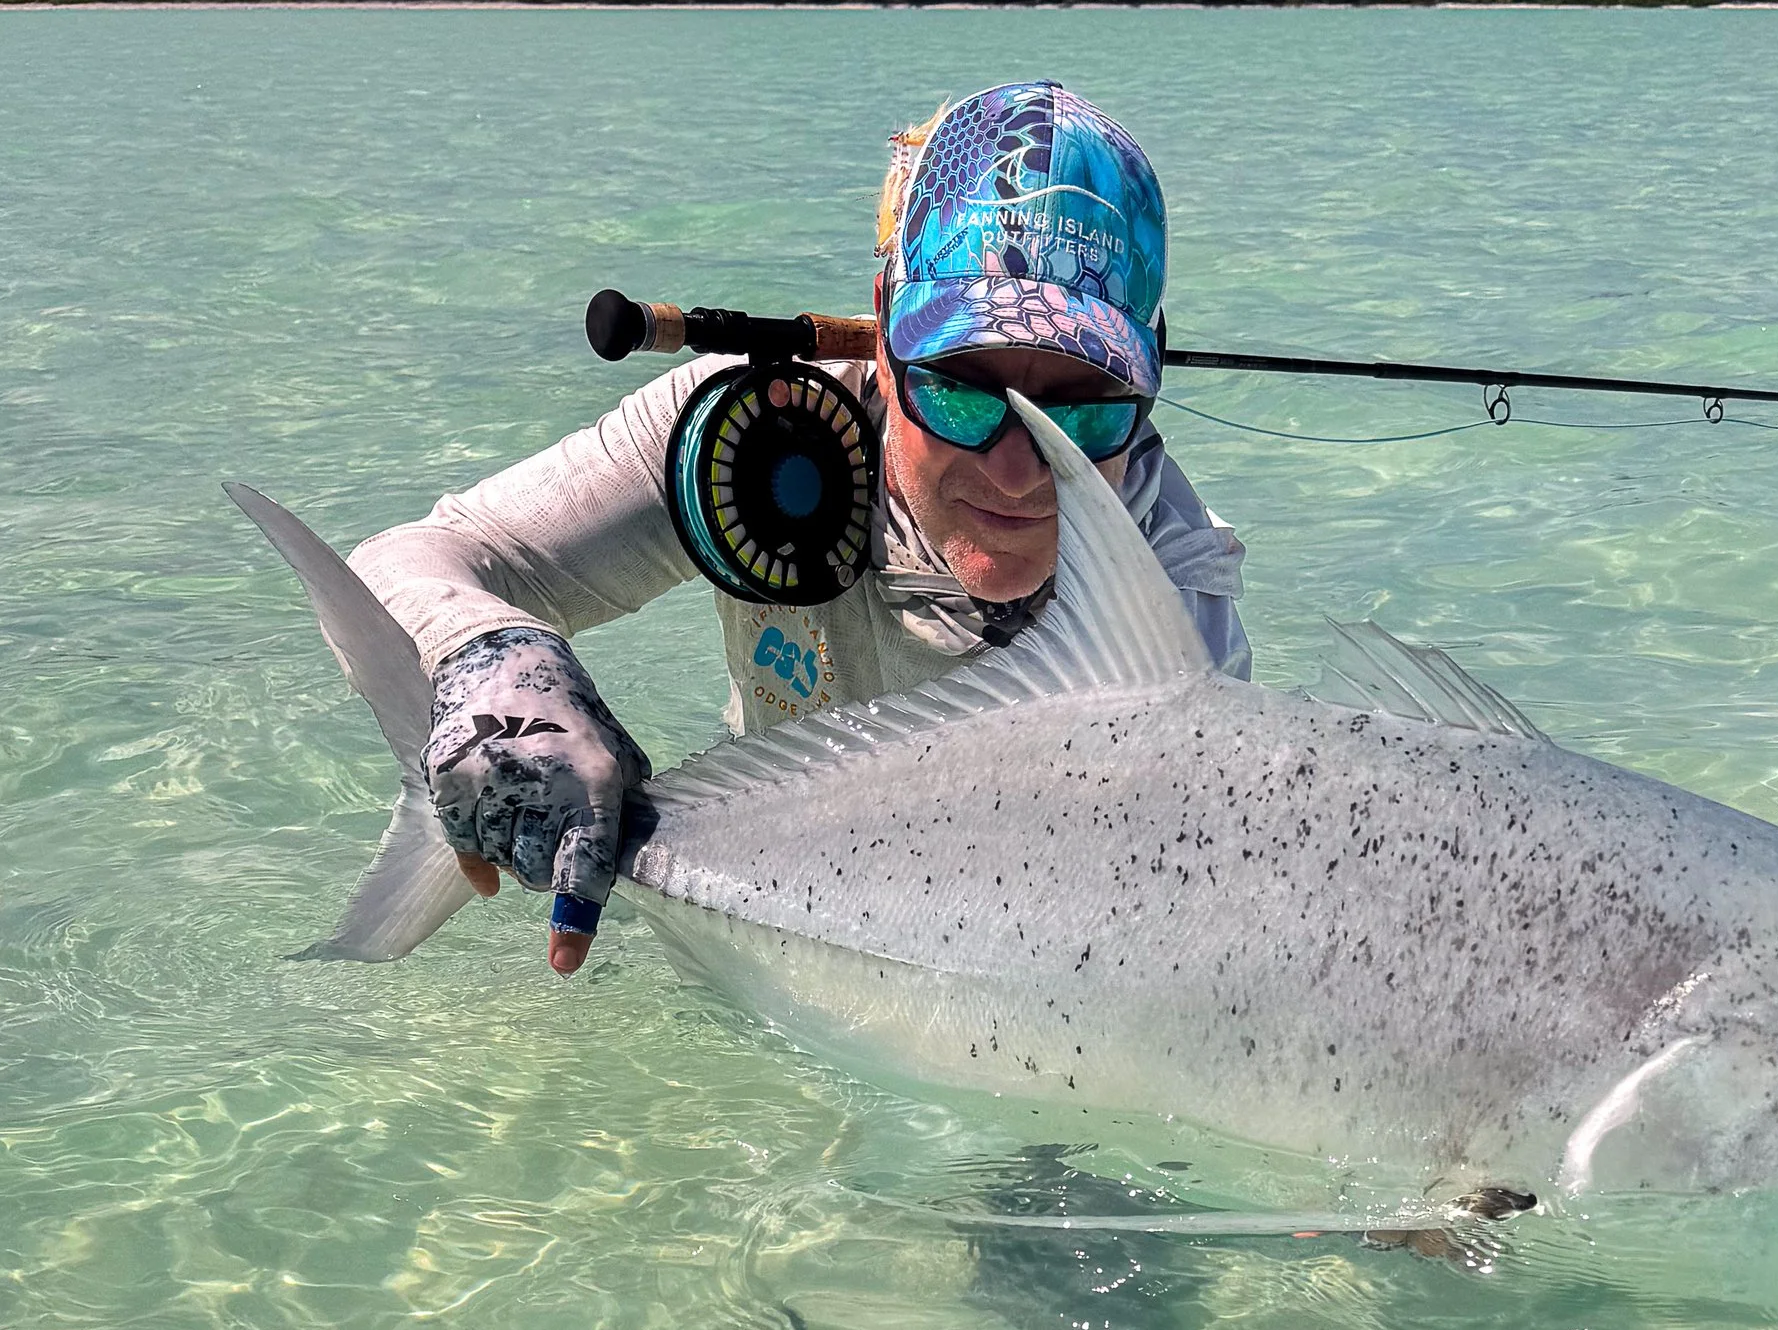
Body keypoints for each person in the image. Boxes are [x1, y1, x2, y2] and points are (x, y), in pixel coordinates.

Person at [351, 79, 1250, 977]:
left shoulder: (1174, 612)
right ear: (885, 334)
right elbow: (411, 563)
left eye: (1084, 413)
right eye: (958, 388)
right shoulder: (754, 435)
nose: (1017, 471)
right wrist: (492, 668)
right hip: (739, 900)